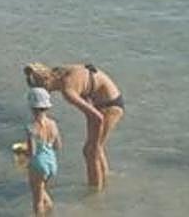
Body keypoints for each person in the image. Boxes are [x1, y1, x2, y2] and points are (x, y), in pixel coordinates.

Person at [24, 62, 123, 190]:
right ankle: (105, 180)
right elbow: (88, 78)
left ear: (46, 82)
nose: (48, 94)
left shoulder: (67, 90)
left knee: (90, 151)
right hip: (102, 101)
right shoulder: (63, 71)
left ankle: (95, 192)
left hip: (110, 106)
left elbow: (98, 118)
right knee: (96, 148)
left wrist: (92, 144)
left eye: (45, 90)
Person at [25, 87, 61, 216]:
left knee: (37, 200)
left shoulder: (31, 127)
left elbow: (32, 151)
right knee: (42, 191)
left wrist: (22, 153)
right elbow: (58, 146)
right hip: (51, 162)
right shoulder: (53, 124)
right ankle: (51, 213)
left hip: (38, 163)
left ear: (31, 107)